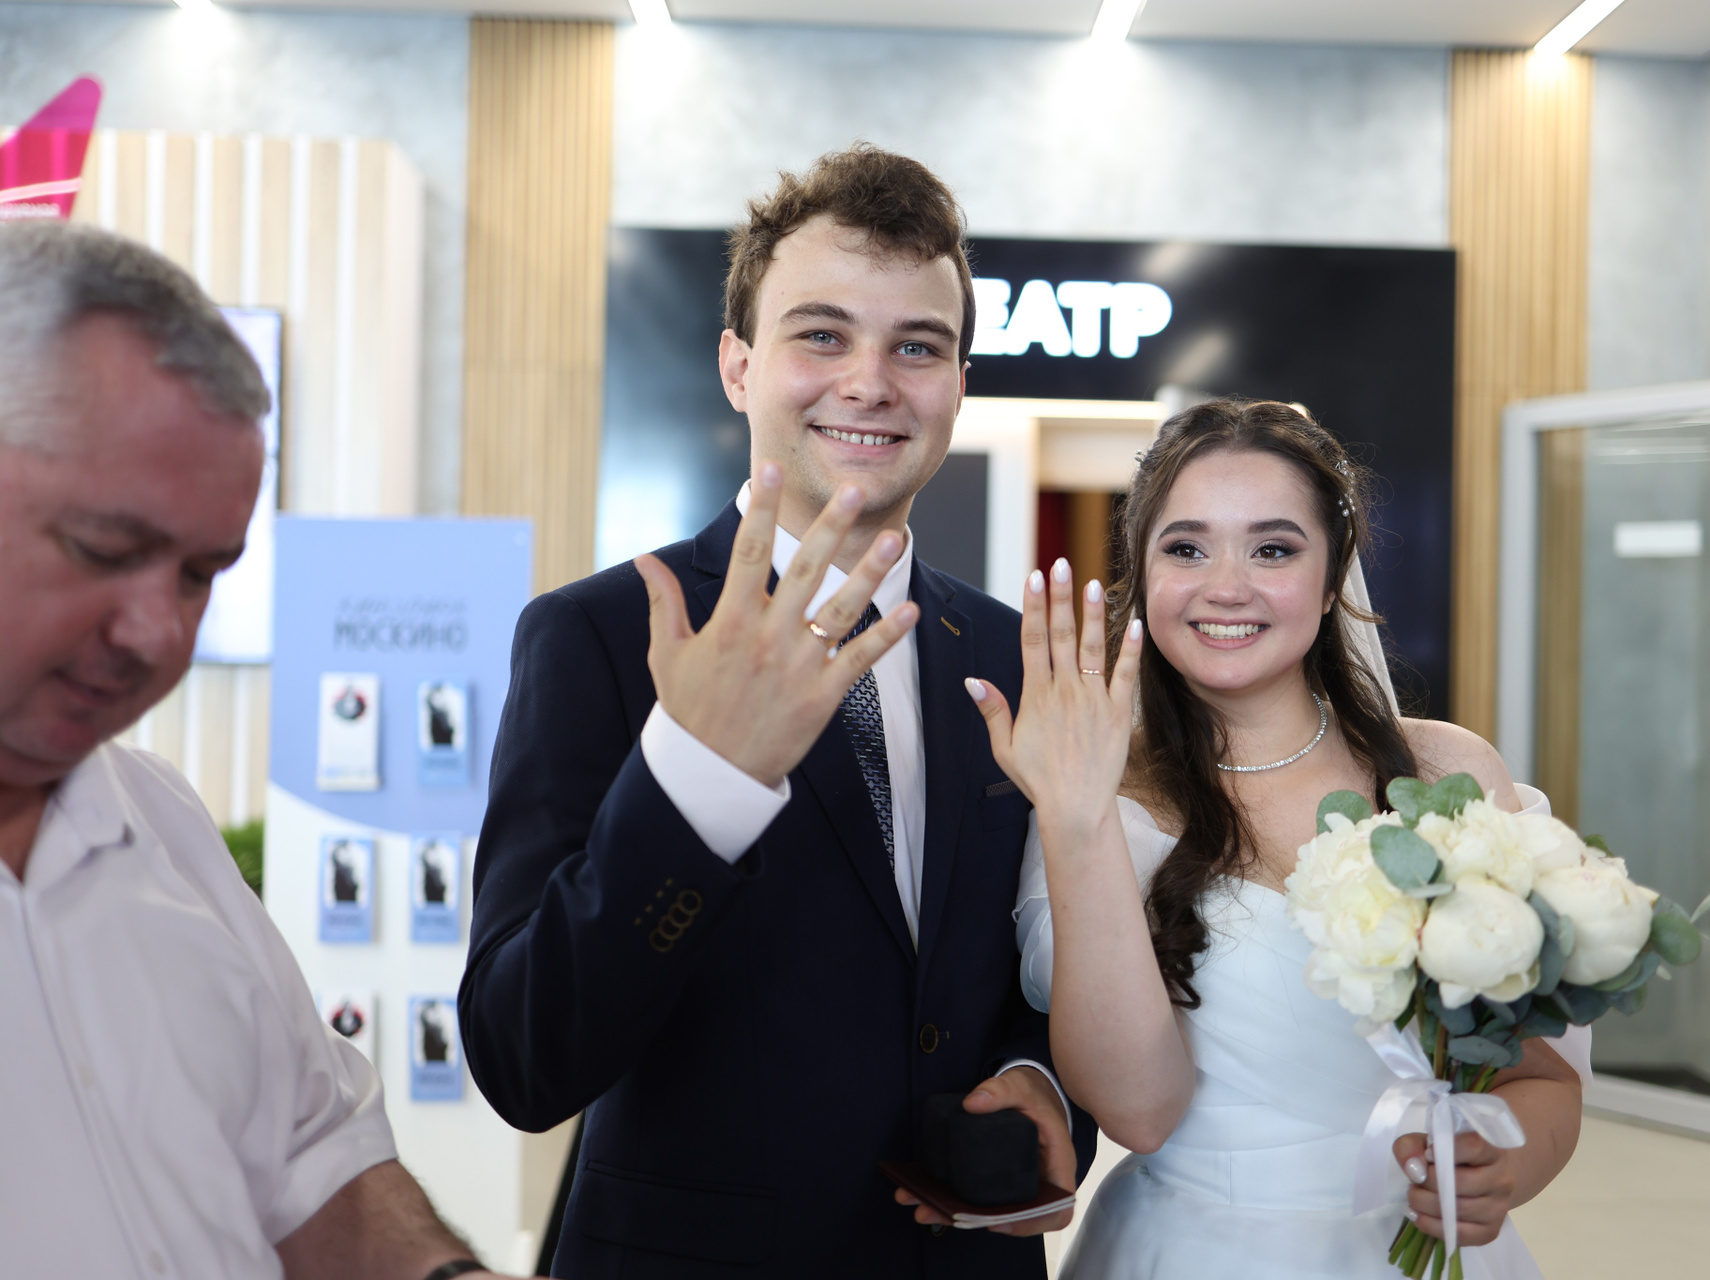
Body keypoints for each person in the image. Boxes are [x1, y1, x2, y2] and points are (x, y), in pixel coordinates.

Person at [460, 145, 1095, 1279]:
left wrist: (1043, 1078)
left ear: (959, 384)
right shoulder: (601, 635)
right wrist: (698, 781)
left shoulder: (1015, 652)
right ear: (738, 366)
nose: (871, 382)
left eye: (917, 346)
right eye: (822, 335)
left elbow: (1059, 951)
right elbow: (523, 1056)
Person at [0, 220, 514, 1280]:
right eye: (106, 547)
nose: (157, 632)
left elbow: (315, 1164)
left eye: (200, 574)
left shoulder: (161, 822)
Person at [968, 400, 1587, 1278]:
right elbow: (1139, 1112)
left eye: (1273, 549)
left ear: (1332, 580)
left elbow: (1543, 1080)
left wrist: (1505, 1165)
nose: (1227, 586)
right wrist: (1078, 819)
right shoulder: (1095, 799)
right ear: (1143, 574)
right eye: (1186, 549)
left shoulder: (1449, 775)